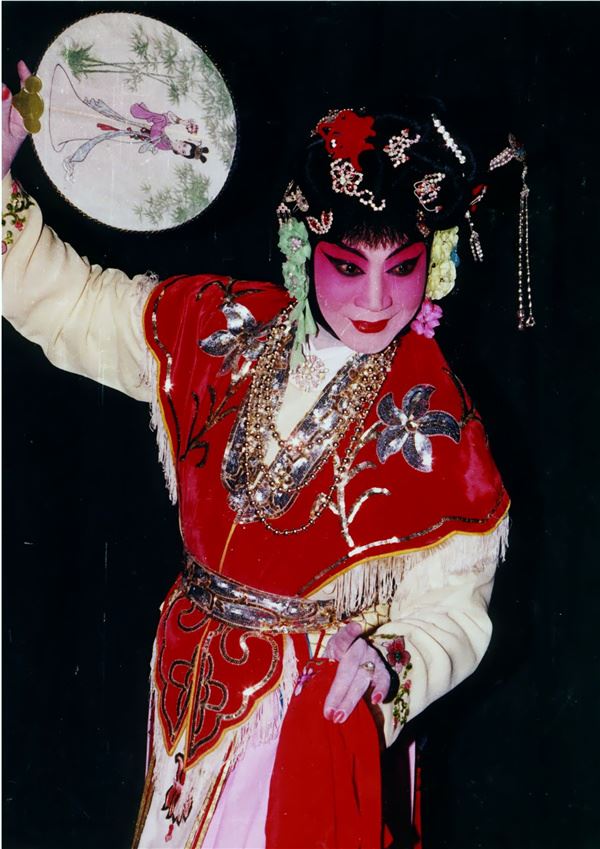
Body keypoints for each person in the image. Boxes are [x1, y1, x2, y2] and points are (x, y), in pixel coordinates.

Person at [3, 61, 513, 849]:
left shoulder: (438, 422)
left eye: (403, 267)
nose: (376, 299)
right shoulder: (221, 329)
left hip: (310, 718)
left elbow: (453, 609)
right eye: (348, 265)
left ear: (434, 260)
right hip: (190, 683)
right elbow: (75, 304)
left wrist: (388, 667)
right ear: (302, 245)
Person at [46, 63, 209, 179]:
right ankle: (70, 105)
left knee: (98, 133)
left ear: (180, 154)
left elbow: (155, 133)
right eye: (184, 145)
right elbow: (168, 116)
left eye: (183, 151)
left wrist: (163, 124)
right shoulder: (169, 136)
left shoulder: (165, 146)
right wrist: (183, 122)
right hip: (128, 125)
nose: (181, 147)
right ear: (184, 141)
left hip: (126, 132)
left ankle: (70, 153)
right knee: (101, 118)